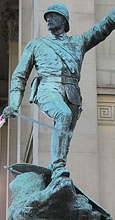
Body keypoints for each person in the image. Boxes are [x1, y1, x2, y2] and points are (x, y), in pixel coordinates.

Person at [3, 3, 115, 180]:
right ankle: (58, 167)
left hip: (72, 93)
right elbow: (19, 75)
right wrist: (14, 102)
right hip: (48, 89)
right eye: (46, 17)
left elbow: (102, 28)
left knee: (65, 140)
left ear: (63, 19)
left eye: (52, 16)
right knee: (62, 115)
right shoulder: (36, 45)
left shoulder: (79, 42)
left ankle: (53, 173)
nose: (48, 19)